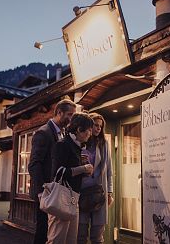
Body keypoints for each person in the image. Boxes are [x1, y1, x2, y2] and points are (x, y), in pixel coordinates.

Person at [28, 98, 76, 244]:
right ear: (59, 112)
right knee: (43, 232)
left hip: (57, 191)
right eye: (69, 114)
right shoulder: (44, 133)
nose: (71, 118)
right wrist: (42, 192)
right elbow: (34, 164)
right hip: (46, 192)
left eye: (73, 115)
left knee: (52, 232)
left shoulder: (63, 133)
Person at [47, 112, 94, 244]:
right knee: (57, 239)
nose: (90, 134)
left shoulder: (77, 146)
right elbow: (58, 172)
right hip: (61, 197)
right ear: (79, 129)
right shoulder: (63, 144)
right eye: (89, 130)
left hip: (73, 197)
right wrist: (83, 169)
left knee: (71, 239)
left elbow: (71, 171)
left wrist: (83, 169)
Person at [77, 113, 113, 244]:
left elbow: (109, 169)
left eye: (100, 126)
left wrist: (109, 191)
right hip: (81, 193)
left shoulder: (104, 143)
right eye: (95, 125)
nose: (98, 128)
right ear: (88, 125)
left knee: (97, 237)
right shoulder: (79, 142)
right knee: (80, 235)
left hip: (99, 193)